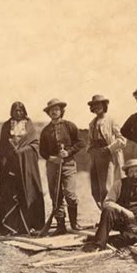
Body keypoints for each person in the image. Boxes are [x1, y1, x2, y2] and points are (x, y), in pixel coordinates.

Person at [90, 159, 137, 250]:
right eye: (131, 172)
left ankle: (111, 242)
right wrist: (124, 211)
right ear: (127, 173)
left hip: (131, 222)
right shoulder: (119, 184)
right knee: (108, 211)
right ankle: (98, 245)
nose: (134, 174)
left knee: (132, 238)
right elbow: (107, 203)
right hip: (117, 219)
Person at [40, 98, 86, 235]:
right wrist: (52, 158)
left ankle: (74, 223)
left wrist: (68, 152)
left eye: (56, 109)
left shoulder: (69, 126)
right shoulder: (45, 131)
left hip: (68, 165)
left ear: (61, 111)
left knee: (70, 194)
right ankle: (61, 225)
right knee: (56, 196)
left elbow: (81, 142)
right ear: (48, 113)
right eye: (51, 110)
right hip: (52, 166)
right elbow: (42, 151)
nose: (54, 112)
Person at [0, 102, 45, 234]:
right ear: (11, 112)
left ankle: (29, 224)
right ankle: (12, 226)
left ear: (24, 111)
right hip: (10, 166)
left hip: (26, 167)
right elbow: (3, 147)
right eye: (15, 110)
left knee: (27, 192)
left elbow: (35, 145)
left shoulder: (29, 125)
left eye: (20, 110)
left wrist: (22, 151)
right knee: (11, 194)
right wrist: (10, 153)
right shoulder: (6, 126)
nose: (18, 113)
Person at [87, 95, 126, 208]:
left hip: (109, 156)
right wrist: (90, 150)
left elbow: (122, 139)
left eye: (99, 105)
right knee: (96, 189)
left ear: (104, 106)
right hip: (96, 156)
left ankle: (111, 215)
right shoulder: (92, 123)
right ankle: (104, 213)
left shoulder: (111, 120)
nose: (97, 107)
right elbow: (90, 140)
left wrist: (109, 149)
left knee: (107, 188)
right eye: (95, 105)